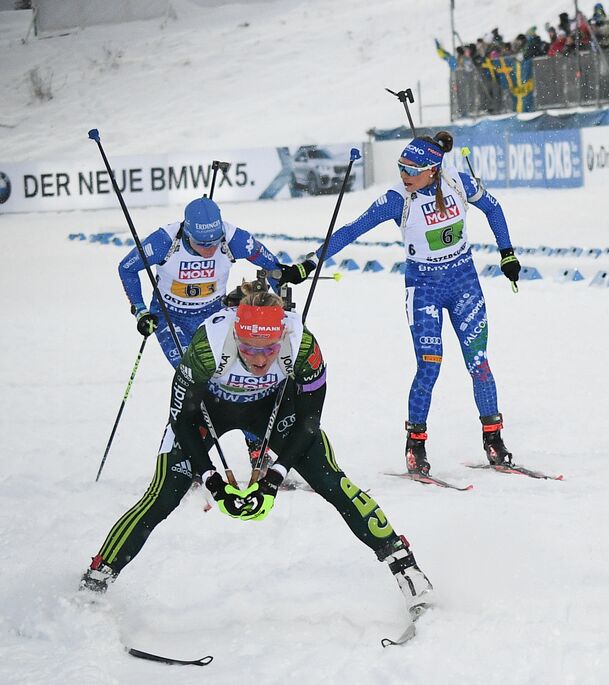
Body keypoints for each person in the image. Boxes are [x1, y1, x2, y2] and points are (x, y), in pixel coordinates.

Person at [80, 280, 432, 616]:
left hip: (272, 409)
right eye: (248, 349)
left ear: (282, 338)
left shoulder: (303, 344)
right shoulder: (209, 345)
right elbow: (181, 418)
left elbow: (310, 422)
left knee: (331, 480)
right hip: (207, 412)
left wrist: (273, 478)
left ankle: (408, 571)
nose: (259, 359)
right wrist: (213, 481)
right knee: (164, 493)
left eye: (268, 350)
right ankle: (97, 578)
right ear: (236, 334)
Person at [319, 132, 521, 474]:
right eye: (400, 168)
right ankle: (416, 446)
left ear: (433, 169)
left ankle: (494, 440)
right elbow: (352, 229)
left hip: (463, 284)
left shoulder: (458, 181)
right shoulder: (397, 199)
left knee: (479, 364)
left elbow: (494, 208)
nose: (404, 175)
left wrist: (507, 254)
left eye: (411, 169)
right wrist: (313, 259)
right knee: (429, 366)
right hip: (424, 287)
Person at [118, 196, 314, 467]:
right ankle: (189, 456)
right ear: (187, 233)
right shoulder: (165, 240)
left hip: (213, 318)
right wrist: (140, 311)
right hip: (170, 319)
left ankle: (257, 448)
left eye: (214, 242)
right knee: (198, 382)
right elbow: (127, 268)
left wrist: (281, 277)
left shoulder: (234, 238)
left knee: (240, 381)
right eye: (201, 244)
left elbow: (271, 266)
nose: (210, 249)